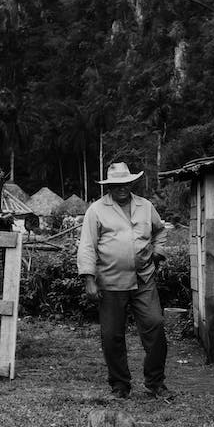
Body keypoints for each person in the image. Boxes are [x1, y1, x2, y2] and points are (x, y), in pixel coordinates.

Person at [77, 162, 171, 399]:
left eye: (125, 183)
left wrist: (158, 253)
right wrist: (89, 279)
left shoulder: (145, 206)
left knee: (156, 325)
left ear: (131, 183)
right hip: (110, 281)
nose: (121, 188)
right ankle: (120, 385)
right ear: (109, 186)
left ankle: (155, 382)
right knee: (111, 335)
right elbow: (87, 245)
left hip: (144, 278)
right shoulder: (96, 210)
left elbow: (160, 231)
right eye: (116, 184)